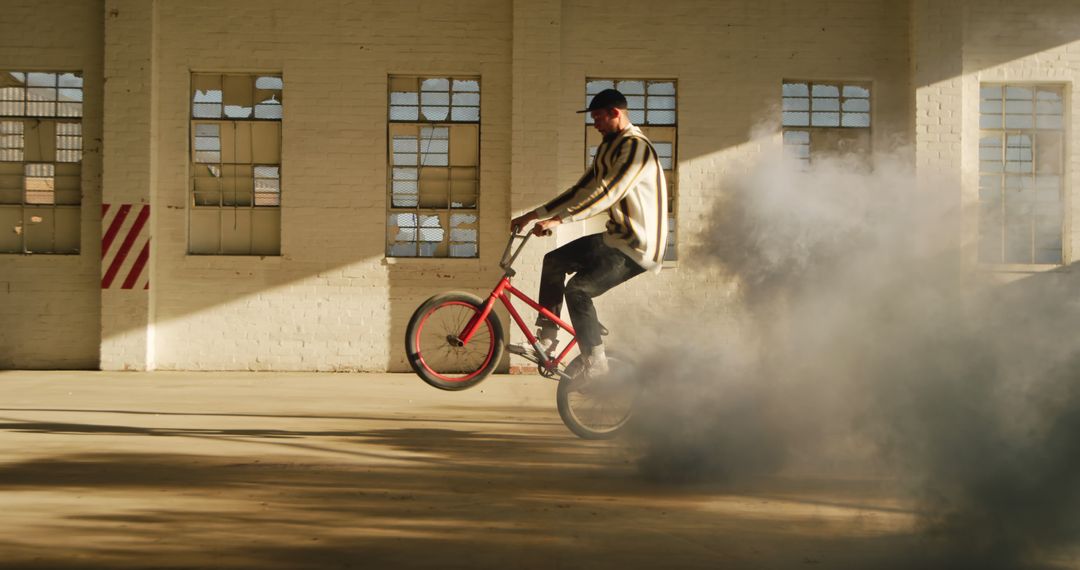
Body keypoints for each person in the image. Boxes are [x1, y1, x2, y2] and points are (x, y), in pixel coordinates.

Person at [511, 88, 668, 378]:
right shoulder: (609, 147)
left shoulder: (636, 148)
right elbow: (580, 190)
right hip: (615, 238)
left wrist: (560, 220)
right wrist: (532, 215)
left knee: (578, 290)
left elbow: (606, 194)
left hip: (638, 246)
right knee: (554, 260)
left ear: (615, 114)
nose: (594, 124)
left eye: (598, 118)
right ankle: (547, 341)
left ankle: (597, 365)